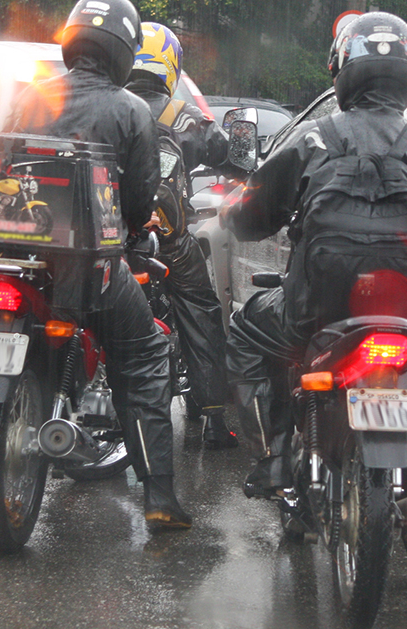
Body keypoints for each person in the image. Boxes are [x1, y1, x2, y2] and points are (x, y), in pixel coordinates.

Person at [220, 12, 407, 594]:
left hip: (314, 312)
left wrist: (243, 213)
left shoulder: (313, 139)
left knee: (243, 332)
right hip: (401, 315)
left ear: (343, 72)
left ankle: (272, 464)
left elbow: (249, 219)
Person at [9, 0, 190, 529]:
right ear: (121, 51)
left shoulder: (29, 99)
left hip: (20, 258)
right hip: (90, 268)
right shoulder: (132, 110)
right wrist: (132, 236)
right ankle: (159, 496)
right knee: (145, 359)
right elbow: (137, 203)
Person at [125, 22, 239, 450]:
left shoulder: (109, 104)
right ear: (170, 65)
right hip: (167, 239)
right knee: (202, 311)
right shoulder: (183, 115)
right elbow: (230, 155)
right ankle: (212, 417)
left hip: (105, 236)